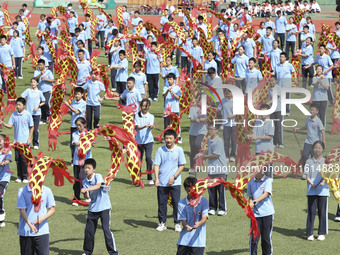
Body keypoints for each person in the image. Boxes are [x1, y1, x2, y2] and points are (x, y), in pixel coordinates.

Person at [81, 158, 118, 255]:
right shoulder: (84, 181)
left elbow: (98, 186)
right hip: (93, 208)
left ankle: (113, 252)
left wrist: (86, 189)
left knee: (106, 230)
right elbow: (88, 196)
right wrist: (85, 193)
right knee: (89, 231)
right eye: (85, 168)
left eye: (89, 168)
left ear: (94, 169)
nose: (87, 170)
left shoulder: (98, 176)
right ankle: (87, 252)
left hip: (104, 207)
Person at [154, 129, 186, 232]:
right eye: (166, 138)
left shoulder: (179, 150)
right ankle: (162, 223)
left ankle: (177, 223)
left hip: (175, 183)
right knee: (162, 203)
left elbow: (182, 165)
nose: (168, 140)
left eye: (170, 138)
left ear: (174, 139)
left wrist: (174, 177)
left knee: (176, 203)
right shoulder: (160, 150)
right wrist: (156, 179)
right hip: (162, 183)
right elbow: (156, 165)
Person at [0, 98, 33, 183]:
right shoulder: (14, 114)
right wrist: (3, 123)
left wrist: (29, 138)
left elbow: (32, 127)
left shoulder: (28, 114)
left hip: (25, 142)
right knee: (17, 159)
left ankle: (25, 177)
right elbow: (10, 125)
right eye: (17, 105)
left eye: (19, 105)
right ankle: (19, 176)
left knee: (24, 159)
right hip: (16, 142)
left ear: (24, 105)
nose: (17, 106)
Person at [17, 182, 55, 255]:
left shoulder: (47, 190)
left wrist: (42, 219)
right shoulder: (22, 191)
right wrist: (30, 224)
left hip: (42, 232)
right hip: (26, 233)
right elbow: (22, 210)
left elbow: (52, 209)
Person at [176, 176, 209, 255]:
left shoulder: (204, 201)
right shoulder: (181, 203)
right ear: (185, 189)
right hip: (184, 241)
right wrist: (187, 226)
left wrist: (198, 223)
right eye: (188, 190)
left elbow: (204, 218)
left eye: (193, 189)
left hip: (198, 242)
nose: (191, 192)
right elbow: (183, 221)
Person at [305, 141, 329, 241]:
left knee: (322, 211)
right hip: (311, 190)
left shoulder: (326, 162)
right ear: (312, 149)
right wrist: (311, 183)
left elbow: (328, 175)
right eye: (315, 148)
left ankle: (321, 233)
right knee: (311, 211)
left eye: (319, 148)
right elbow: (307, 175)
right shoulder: (308, 162)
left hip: (323, 191)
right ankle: (309, 233)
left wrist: (323, 181)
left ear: (323, 149)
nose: (317, 149)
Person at [247, 169, 275, 255]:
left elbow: (266, 193)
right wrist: (250, 202)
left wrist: (254, 202)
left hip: (267, 214)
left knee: (266, 240)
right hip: (255, 215)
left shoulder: (268, 180)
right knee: (254, 240)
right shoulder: (251, 182)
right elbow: (250, 196)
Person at [292, 103, 325, 176]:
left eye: (313, 110)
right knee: (304, 156)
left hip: (316, 144)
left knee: (315, 159)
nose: (312, 111)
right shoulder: (308, 119)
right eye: (311, 110)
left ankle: (315, 173)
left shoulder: (318, 121)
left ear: (317, 111)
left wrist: (323, 144)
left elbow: (322, 132)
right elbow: (306, 127)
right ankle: (305, 173)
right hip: (307, 142)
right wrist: (297, 129)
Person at [203, 122, 228, 216]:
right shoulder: (209, 140)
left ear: (216, 131)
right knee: (211, 189)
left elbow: (215, 154)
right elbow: (209, 150)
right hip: (212, 169)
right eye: (209, 129)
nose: (210, 131)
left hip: (221, 170)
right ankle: (212, 208)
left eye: (212, 129)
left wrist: (205, 156)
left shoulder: (219, 141)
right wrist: (202, 154)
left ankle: (222, 209)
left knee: (221, 190)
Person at [247, 104, 275, 178]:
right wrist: (251, 136)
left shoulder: (270, 122)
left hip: (268, 151)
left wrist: (257, 137)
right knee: (259, 171)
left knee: (268, 171)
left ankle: (268, 188)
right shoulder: (258, 122)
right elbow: (254, 133)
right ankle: (260, 188)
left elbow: (270, 136)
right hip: (258, 150)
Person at [72, 117, 92, 205]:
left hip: (87, 161)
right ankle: (76, 197)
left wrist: (90, 142)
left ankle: (87, 195)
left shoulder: (89, 134)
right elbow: (76, 143)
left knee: (85, 179)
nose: (78, 127)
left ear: (84, 125)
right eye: (77, 125)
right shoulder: (75, 134)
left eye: (80, 125)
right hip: (77, 160)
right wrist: (85, 142)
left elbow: (91, 143)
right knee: (77, 179)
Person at [21, 78, 45, 150]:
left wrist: (38, 106)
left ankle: (35, 143)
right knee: (27, 129)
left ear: (37, 83)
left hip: (37, 113)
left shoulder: (39, 92)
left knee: (35, 129)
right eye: (31, 82)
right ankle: (27, 143)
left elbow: (43, 101)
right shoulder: (28, 91)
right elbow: (22, 97)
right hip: (28, 113)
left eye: (34, 82)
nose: (32, 83)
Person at [135, 99, 155, 185]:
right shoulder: (137, 115)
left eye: (146, 106)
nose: (144, 108)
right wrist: (145, 126)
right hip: (139, 141)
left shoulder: (151, 116)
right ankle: (138, 178)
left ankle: (150, 178)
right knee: (139, 160)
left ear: (149, 106)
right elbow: (138, 127)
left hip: (148, 141)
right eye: (143, 106)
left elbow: (150, 127)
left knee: (148, 158)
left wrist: (151, 127)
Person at [63, 87, 86, 162]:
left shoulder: (83, 103)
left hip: (80, 126)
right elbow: (71, 112)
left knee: (80, 143)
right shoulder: (73, 102)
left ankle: (82, 158)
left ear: (82, 95)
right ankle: (73, 159)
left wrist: (68, 105)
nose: (77, 96)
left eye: (78, 94)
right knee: (72, 144)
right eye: (76, 94)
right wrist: (69, 109)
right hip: (73, 125)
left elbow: (76, 112)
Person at [189, 94, 207, 172]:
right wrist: (194, 120)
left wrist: (200, 120)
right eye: (198, 100)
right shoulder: (192, 108)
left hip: (201, 131)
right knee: (192, 150)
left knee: (197, 144)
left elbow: (207, 117)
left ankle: (202, 157)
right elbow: (191, 118)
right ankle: (192, 167)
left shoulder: (206, 109)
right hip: (192, 132)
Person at [33, 59, 55, 124]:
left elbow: (52, 80)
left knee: (46, 102)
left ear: (44, 65)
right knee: (41, 104)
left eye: (40, 65)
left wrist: (45, 79)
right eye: (38, 65)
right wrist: (40, 74)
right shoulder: (37, 71)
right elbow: (34, 79)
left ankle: (49, 113)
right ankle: (43, 119)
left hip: (48, 90)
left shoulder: (48, 72)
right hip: (40, 91)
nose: (39, 66)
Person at [163, 73, 182, 142]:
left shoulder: (177, 88)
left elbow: (178, 97)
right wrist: (168, 90)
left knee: (176, 124)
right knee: (167, 124)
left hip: (175, 109)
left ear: (174, 80)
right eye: (168, 79)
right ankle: (166, 138)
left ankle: (178, 137)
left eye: (170, 79)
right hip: (167, 109)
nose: (169, 81)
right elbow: (164, 96)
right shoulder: (165, 87)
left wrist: (173, 93)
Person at [267, 76, 283, 148]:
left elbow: (275, 97)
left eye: (273, 81)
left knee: (278, 126)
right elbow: (270, 98)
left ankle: (280, 143)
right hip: (272, 110)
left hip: (278, 109)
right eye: (270, 81)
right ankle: (274, 143)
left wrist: (268, 103)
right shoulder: (270, 89)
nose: (271, 82)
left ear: (276, 81)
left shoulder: (278, 88)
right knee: (273, 126)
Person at [0, 134, 12, 228]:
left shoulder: (7, 151)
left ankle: (1, 215)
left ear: (4, 142)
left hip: (4, 178)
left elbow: (8, 160)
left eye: (0, 140)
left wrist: (4, 163)